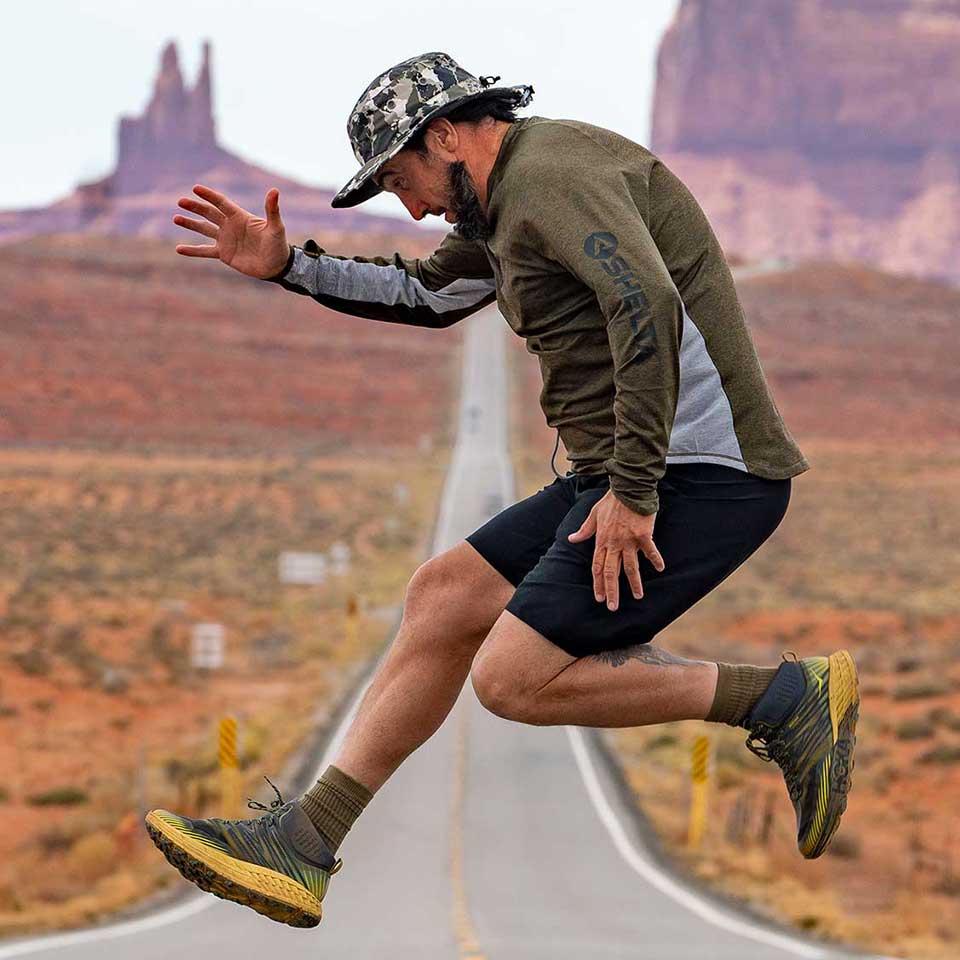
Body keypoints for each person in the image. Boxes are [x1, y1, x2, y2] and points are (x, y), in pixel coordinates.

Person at [145, 51, 859, 929]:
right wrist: (290, 265)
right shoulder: (505, 207)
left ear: (446, 135)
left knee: (514, 679)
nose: (411, 206)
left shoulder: (553, 177)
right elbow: (431, 297)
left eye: (404, 179)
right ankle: (303, 841)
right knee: (442, 598)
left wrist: (634, 494)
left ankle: (786, 699)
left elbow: (645, 309)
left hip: (704, 474)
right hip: (625, 471)